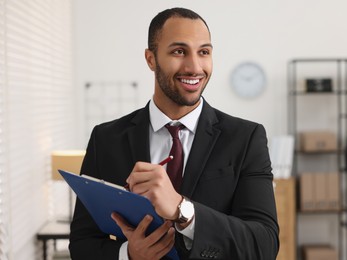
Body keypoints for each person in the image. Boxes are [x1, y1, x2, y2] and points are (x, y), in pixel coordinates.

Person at [69, 7, 279, 260]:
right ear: (151, 59)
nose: (194, 67)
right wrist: (129, 254)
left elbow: (263, 246)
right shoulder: (106, 139)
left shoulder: (246, 138)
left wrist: (183, 210)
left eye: (204, 52)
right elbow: (82, 244)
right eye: (179, 51)